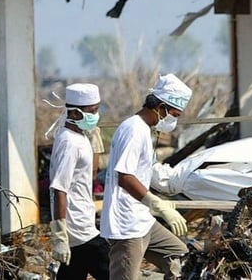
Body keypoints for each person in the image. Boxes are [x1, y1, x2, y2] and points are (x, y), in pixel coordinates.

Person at [101, 74, 191, 280]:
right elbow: (124, 176)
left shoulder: (144, 130)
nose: (174, 120)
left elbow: (145, 169)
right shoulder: (133, 130)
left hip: (141, 218)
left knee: (180, 255)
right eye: (174, 114)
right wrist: (157, 204)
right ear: (161, 108)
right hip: (126, 226)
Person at [49, 83, 110, 280]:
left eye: (97, 109)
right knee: (115, 273)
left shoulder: (78, 136)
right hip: (80, 229)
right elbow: (59, 188)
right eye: (92, 111)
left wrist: (95, 145)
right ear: (75, 113)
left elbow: (90, 176)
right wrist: (59, 235)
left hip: (80, 226)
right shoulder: (70, 143)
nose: (96, 115)